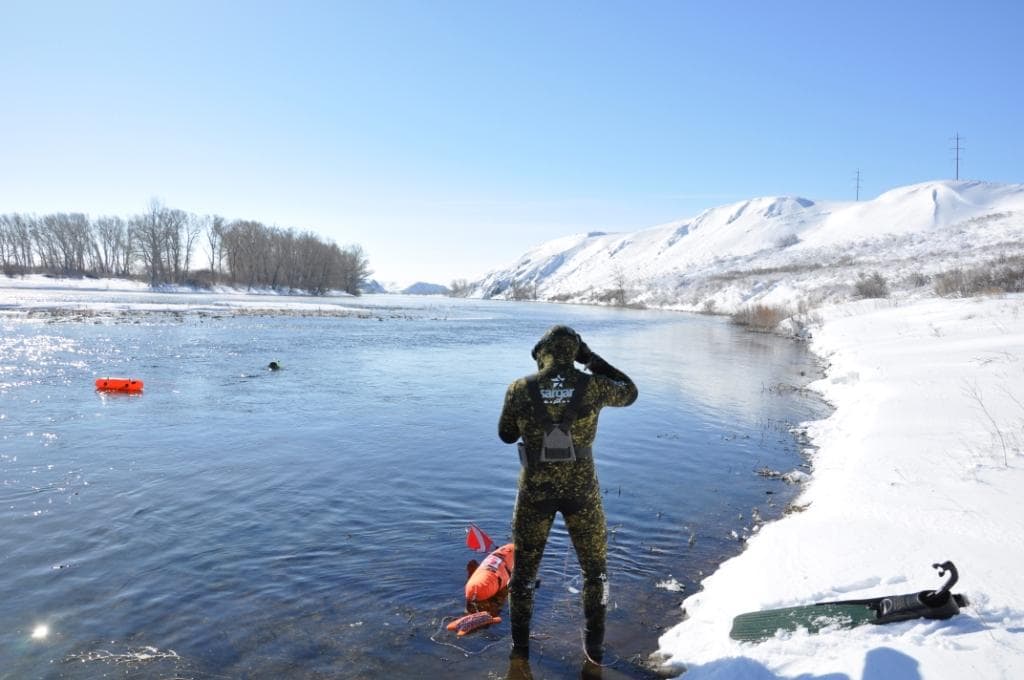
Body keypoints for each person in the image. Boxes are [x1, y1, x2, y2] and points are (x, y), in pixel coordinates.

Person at [498, 325, 638, 663]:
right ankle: (595, 648)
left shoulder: (519, 388)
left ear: (543, 353)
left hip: (535, 492)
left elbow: (505, 434)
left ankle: (520, 650)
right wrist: (591, 360)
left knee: (525, 573)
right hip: (582, 492)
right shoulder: (593, 385)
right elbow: (630, 391)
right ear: (575, 352)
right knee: (595, 570)